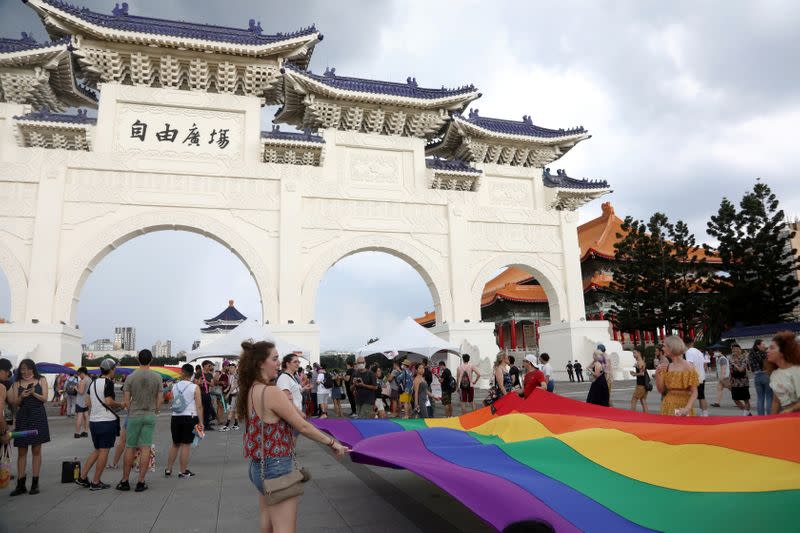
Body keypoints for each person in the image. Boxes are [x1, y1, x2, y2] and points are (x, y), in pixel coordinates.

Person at [236, 340, 348, 533]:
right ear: (261, 363)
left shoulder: (251, 390)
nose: (278, 362)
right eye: (275, 358)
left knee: (267, 525)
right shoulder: (271, 391)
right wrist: (332, 442)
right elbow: (303, 426)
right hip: (277, 467)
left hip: (258, 466)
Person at [117, 349, 163, 492]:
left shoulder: (130, 377)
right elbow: (160, 399)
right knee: (146, 447)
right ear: (151, 360)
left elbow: (126, 401)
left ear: (138, 359)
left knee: (130, 446)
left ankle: (125, 480)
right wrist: (156, 410)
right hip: (149, 414)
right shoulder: (157, 377)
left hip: (135, 415)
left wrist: (131, 409)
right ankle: (141, 482)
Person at [75, 358, 122, 490]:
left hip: (94, 421)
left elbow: (88, 402)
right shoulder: (108, 383)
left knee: (97, 450)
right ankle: (96, 482)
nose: (115, 370)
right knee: (104, 451)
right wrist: (121, 404)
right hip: (106, 422)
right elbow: (108, 401)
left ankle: (82, 477)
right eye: (115, 368)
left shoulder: (93, 382)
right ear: (111, 369)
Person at [8, 358, 50, 496]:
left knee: (36, 450)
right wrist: (22, 396)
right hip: (23, 418)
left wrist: (33, 393)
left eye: (28, 368)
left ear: (33, 369)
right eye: (23, 369)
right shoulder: (17, 383)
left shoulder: (41, 380)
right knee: (21, 451)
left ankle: (35, 483)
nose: (25, 372)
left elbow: (45, 398)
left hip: (38, 416)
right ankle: (21, 484)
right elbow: (15, 403)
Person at [165, 363, 203, 478]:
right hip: (189, 417)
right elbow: (199, 406)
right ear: (192, 375)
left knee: (175, 444)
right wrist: (201, 421)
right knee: (186, 445)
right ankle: (183, 471)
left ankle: (168, 469)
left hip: (175, 417)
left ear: (182, 372)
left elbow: (171, 400)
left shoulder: (175, 386)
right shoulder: (194, 387)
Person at [656, 336, 699, 416]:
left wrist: (687, 409)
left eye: (664, 346)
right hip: (668, 405)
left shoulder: (688, 366)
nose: (663, 349)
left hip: (684, 406)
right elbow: (661, 390)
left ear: (671, 347)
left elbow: (694, 392)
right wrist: (658, 374)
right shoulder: (666, 367)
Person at [766, 331, 800, 414]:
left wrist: (791, 410)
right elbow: (776, 401)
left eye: (772, 348)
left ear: (783, 352)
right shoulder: (774, 374)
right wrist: (772, 421)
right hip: (787, 419)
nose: (767, 350)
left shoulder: (797, 371)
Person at [684, 338, 709, 416]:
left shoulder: (688, 352)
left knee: (690, 396)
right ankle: (704, 413)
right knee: (701, 396)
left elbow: (690, 365)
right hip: (702, 376)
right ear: (692, 343)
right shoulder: (699, 352)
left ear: (685, 344)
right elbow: (705, 365)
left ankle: (688, 412)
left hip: (694, 377)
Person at [749, 339, 772, 416]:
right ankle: (769, 415)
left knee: (760, 397)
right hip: (765, 375)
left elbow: (751, 367)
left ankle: (760, 416)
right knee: (769, 397)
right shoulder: (764, 354)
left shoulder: (750, 354)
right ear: (758, 345)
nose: (764, 346)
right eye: (763, 344)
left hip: (756, 376)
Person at [729, 344, 752, 415]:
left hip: (743, 381)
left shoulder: (744, 358)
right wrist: (729, 381)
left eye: (736, 349)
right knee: (735, 399)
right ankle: (747, 412)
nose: (735, 350)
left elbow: (741, 370)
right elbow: (731, 370)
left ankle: (746, 413)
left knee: (746, 399)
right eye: (733, 349)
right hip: (734, 382)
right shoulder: (731, 358)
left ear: (740, 349)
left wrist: (734, 364)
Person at [197, 360, 216, 430]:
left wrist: (206, 382)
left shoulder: (210, 374)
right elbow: (195, 383)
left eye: (210, 365)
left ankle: (207, 424)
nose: (210, 367)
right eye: (209, 365)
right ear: (204, 366)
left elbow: (213, 384)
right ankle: (201, 424)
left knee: (208, 409)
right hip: (200, 394)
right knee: (201, 409)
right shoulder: (199, 373)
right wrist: (200, 382)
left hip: (207, 393)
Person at [221, 362, 240, 430]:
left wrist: (228, 393)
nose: (230, 369)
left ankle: (227, 425)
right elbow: (230, 385)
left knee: (231, 410)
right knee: (235, 410)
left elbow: (234, 386)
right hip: (233, 394)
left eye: (232, 368)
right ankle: (236, 424)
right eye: (230, 368)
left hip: (236, 395)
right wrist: (226, 389)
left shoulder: (236, 376)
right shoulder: (230, 376)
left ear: (235, 368)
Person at [74, 367, 91, 438]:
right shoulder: (90, 379)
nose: (79, 376)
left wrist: (76, 388)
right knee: (86, 416)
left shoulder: (83, 380)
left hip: (80, 401)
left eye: (79, 374)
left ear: (82, 373)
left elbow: (81, 392)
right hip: (86, 400)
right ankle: (86, 431)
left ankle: (77, 432)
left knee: (79, 416)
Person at [0, 358, 14, 446]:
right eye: (7, 371)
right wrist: (3, 431)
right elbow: (12, 400)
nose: (8, 374)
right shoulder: (2, 387)